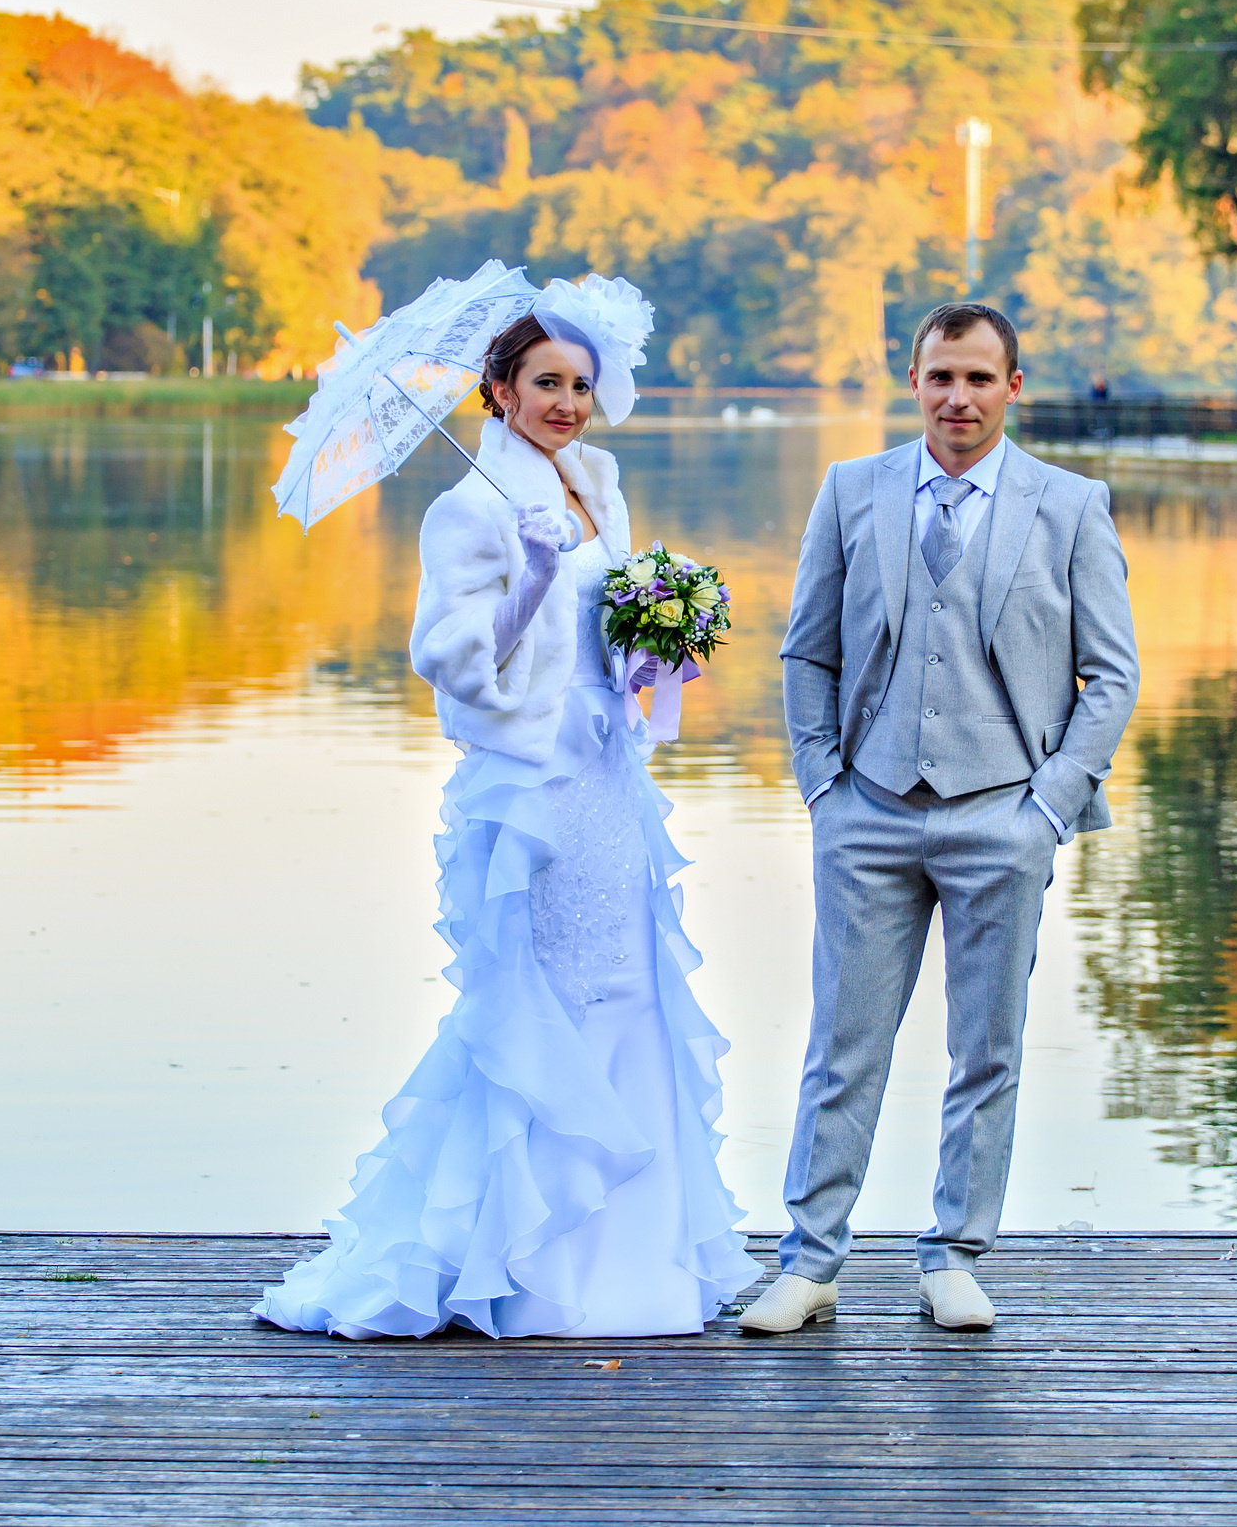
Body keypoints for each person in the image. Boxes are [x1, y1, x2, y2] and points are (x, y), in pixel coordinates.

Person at [253, 292, 760, 1340]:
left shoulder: (598, 490)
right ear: (497, 392)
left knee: (629, 982)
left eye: (579, 385)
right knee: (550, 990)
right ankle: (519, 1259)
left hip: (607, 769)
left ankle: (629, 1253)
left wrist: (646, 653)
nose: (567, 402)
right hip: (532, 785)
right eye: (545, 384)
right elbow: (446, 656)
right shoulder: (471, 509)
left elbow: (602, 637)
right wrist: (528, 581)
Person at [742, 301, 1138, 1336]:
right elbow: (807, 652)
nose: (956, 398)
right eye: (938, 377)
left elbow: (1111, 676)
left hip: (1002, 813)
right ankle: (810, 1263)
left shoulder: (1069, 505)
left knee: (988, 1048)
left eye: (976, 378)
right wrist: (823, 788)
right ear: (910, 381)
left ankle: (954, 1254)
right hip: (866, 810)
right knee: (842, 1042)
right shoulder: (851, 491)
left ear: (1014, 387)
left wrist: (1049, 806)